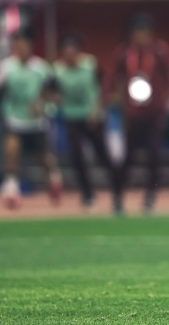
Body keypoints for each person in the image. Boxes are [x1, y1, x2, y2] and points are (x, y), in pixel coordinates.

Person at [0, 28, 63, 209]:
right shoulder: (6, 66)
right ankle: (12, 191)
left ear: (30, 45)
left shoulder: (42, 68)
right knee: (11, 152)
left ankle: (54, 177)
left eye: (23, 42)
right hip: (14, 118)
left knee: (43, 158)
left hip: (36, 122)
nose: (19, 46)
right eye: (16, 43)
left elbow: (54, 94)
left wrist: (43, 103)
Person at [106, 14, 169, 213]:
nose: (140, 36)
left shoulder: (159, 51)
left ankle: (150, 196)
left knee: (154, 155)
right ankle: (118, 197)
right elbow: (113, 78)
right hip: (132, 113)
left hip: (155, 112)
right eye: (137, 32)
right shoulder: (123, 52)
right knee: (127, 158)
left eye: (144, 32)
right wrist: (112, 96)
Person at [53, 34, 119, 210]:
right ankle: (88, 194)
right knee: (78, 158)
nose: (69, 57)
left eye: (72, 52)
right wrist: (55, 99)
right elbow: (52, 91)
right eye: (65, 53)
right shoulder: (58, 70)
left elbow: (105, 86)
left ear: (79, 52)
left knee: (102, 154)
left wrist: (98, 108)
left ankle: (117, 187)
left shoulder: (91, 64)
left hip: (93, 117)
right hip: (72, 118)